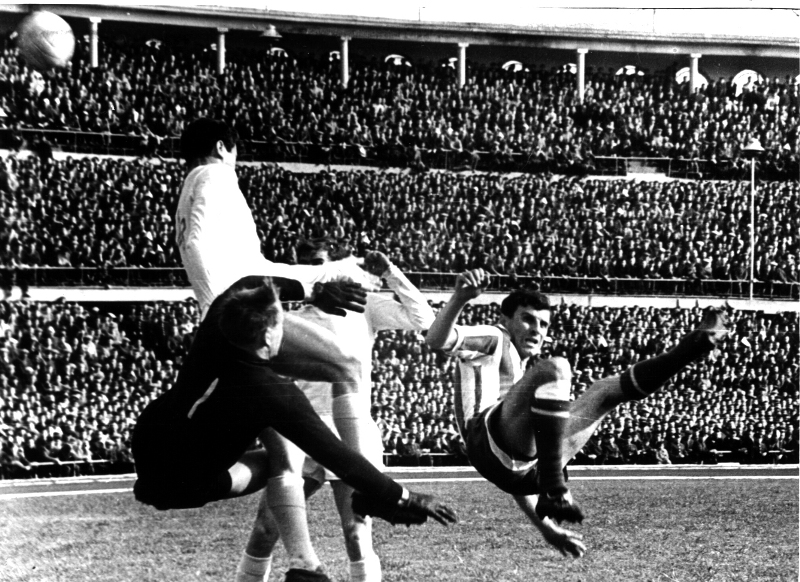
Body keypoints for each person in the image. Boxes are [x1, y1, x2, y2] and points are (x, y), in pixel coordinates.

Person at [174, 118, 386, 582]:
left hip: (229, 319)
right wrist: (228, 310)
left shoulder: (189, 187)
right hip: (239, 318)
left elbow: (249, 263)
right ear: (224, 146)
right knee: (347, 364)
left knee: (282, 455)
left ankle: (305, 564)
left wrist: (325, 275)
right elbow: (207, 251)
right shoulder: (216, 177)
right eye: (236, 151)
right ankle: (365, 485)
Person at [132, 276, 457, 567]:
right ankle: (304, 564)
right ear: (267, 336)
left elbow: (248, 282)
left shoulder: (218, 323)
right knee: (292, 457)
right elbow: (338, 457)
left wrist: (313, 292)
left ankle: (305, 563)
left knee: (285, 449)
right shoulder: (272, 393)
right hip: (192, 483)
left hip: (150, 453)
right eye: (280, 324)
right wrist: (403, 496)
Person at [426, 268, 730, 557]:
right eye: (527, 319)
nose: (536, 330)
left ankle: (690, 348)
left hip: (519, 470)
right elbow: (436, 339)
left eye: (543, 325)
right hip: (484, 439)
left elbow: (513, 475)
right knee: (556, 368)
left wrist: (548, 530)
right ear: (506, 319)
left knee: (605, 392)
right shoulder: (497, 337)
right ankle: (554, 483)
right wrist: (460, 298)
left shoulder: (519, 371)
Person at [239, 239, 436, 582]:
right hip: (302, 433)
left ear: (334, 266)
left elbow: (423, 318)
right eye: (304, 264)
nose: (311, 272)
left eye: (318, 263)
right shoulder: (289, 318)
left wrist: (390, 272)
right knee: (266, 529)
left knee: (356, 536)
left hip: (350, 433)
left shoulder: (364, 307)